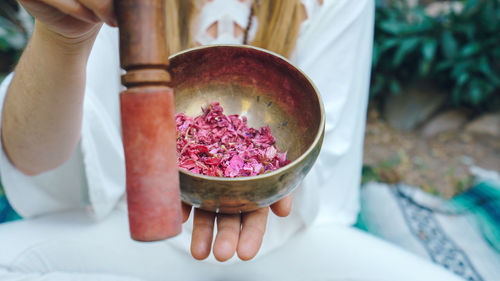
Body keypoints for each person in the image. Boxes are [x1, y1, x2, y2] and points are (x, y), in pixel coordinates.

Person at [0, 0, 465, 280]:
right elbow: (40, 164)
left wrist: (265, 182)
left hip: (283, 243)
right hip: (131, 237)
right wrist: (63, 39)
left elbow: (322, 168)